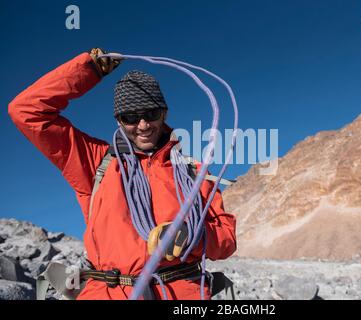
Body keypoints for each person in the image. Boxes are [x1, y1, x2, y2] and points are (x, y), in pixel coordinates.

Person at [8, 48, 237, 300]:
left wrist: (193, 236)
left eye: (151, 113)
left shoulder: (193, 171)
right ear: (118, 121)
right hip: (106, 293)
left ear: (165, 113)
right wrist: (88, 70)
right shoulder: (95, 162)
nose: (143, 125)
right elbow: (26, 111)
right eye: (131, 117)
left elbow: (226, 238)